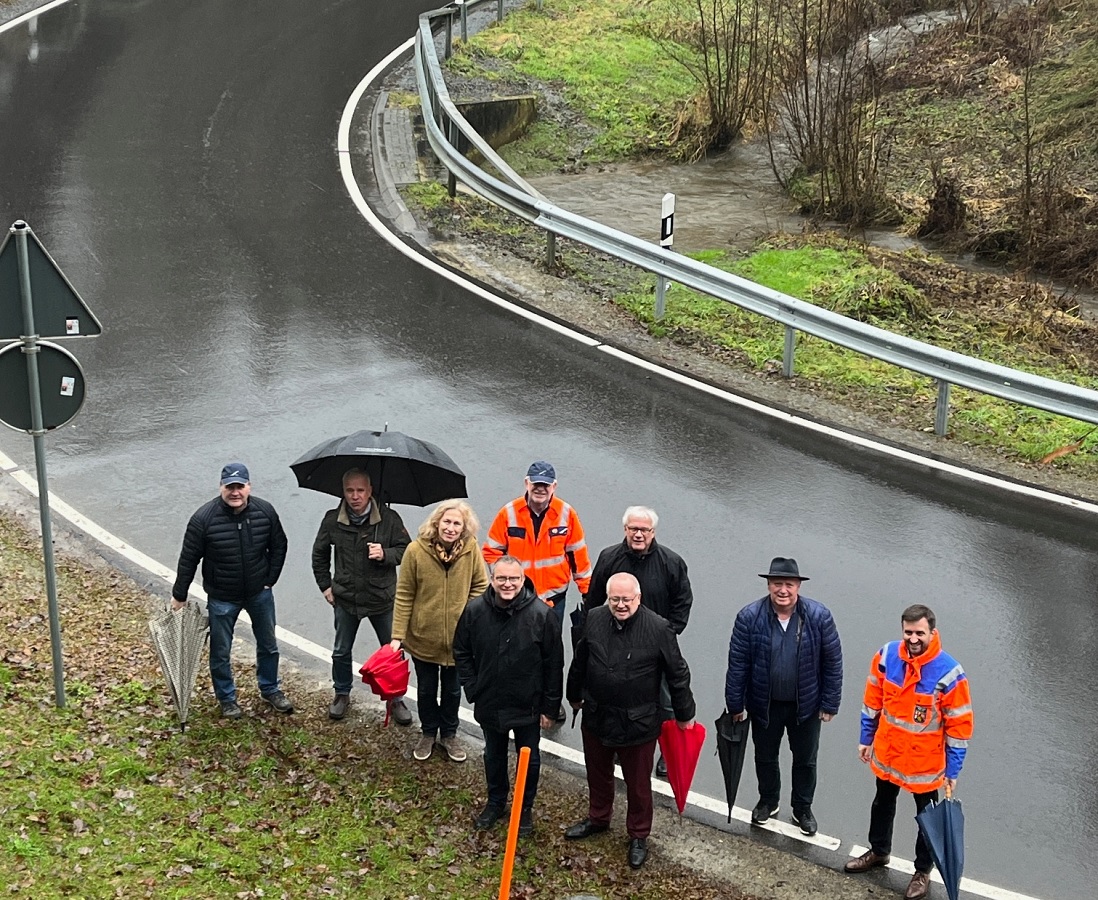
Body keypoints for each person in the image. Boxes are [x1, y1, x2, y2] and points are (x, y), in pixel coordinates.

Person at [565, 572, 696, 870]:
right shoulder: (594, 618)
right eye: (615, 599)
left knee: (638, 785)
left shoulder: (659, 628)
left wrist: (685, 714)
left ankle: (638, 835)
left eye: (626, 599)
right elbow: (580, 660)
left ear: (638, 598)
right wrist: (574, 695)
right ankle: (598, 818)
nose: (620, 605)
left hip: (639, 722)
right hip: (597, 715)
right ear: (607, 598)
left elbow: (677, 673)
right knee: (597, 773)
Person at [844, 604, 974, 900]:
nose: (913, 638)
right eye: (908, 632)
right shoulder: (887, 656)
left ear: (932, 632)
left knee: (926, 818)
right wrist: (866, 738)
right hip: (889, 753)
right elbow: (872, 700)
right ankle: (878, 852)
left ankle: (922, 872)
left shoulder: (950, 673)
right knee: (882, 804)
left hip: (924, 763)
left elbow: (959, 727)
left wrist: (953, 772)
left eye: (919, 633)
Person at [724, 557, 842, 836]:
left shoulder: (819, 616)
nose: (783, 590)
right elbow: (737, 664)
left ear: (798, 586)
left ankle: (802, 808)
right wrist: (735, 704)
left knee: (805, 759)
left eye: (789, 584)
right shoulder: (748, 617)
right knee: (765, 756)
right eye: (777, 584)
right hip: (764, 703)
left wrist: (830, 703)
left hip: (807, 705)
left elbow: (833, 662)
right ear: (768, 585)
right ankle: (768, 801)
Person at [453, 556, 563, 838]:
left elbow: (553, 664)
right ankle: (496, 802)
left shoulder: (542, 614)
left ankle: (524, 809)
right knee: (493, 754)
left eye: (513, 579)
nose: (507, 584)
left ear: (523, 579)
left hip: (528, 703)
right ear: (492, 579)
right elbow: (461, 650)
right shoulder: (475, 610)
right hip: (490, 700)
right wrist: (472, 686)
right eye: (501, 578)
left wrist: (549, 708)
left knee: (530, 759)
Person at [171, 462, 292, 719]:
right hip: (222, 596)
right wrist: (179, 595)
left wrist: (271, 578)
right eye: (230, 487)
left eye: (240, 486)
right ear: (221, 488)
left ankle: (270, 688)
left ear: (249, 487)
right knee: (220, 650)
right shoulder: (203, 519)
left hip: (259, 592)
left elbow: (279, 545)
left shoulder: (265, 512)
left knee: (268, 644)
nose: (235, 492)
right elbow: (188, 559)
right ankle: (227, 699)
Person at [586, 505, 692, 778]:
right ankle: (624, 747)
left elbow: (683, 603)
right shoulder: (608, 558)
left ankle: (666, 753)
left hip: (658, 646)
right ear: (625, 529)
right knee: (622, 697)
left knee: (666, 703)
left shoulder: (672, 563)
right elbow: (594, 599)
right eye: (633, 528)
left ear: (653, 532)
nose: (638, 534)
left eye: (644, 529)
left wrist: (666, 634)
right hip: (614, 644)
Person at [483, 461, 591, 722]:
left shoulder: (566, 515)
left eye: (545, 484)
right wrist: (505, 581)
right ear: (526, 484)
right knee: (516, 651)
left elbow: (578, 556)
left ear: (554, 486)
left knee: (551, 653)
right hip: (518, 600)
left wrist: (588, 593)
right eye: (536, 483)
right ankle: (518, 698)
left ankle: (549, 699)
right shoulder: (509, 513)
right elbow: (491, 551)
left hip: (554, 600)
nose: (540, 489)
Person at [390, 499, 488, 764]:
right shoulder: (415, 551)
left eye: (457, 523)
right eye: (447, 521)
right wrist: (397, 636)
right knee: (426, 689)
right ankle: (428, 733)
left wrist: (466, 618)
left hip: (459, 640)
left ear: (464, 527)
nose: (451, 528)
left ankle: (449, 734)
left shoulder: (471, 551)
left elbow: (481, 587)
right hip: (423, 637)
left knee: (453, 691)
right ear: (436, 523)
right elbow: (404, 593)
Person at [311, 468, 411, 724]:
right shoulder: (332, 519)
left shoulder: (389, 519)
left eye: (360, 491)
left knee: (393, 652)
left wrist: (386, 554)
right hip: (347, 598)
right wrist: (325, 586)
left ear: (370, 492)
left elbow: (408, 552)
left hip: (382, 599)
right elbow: (319, 554)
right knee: (341, 651)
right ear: (343, 492)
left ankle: (396, 698)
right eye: (350, 491)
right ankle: (342, 692)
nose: (355, 496)